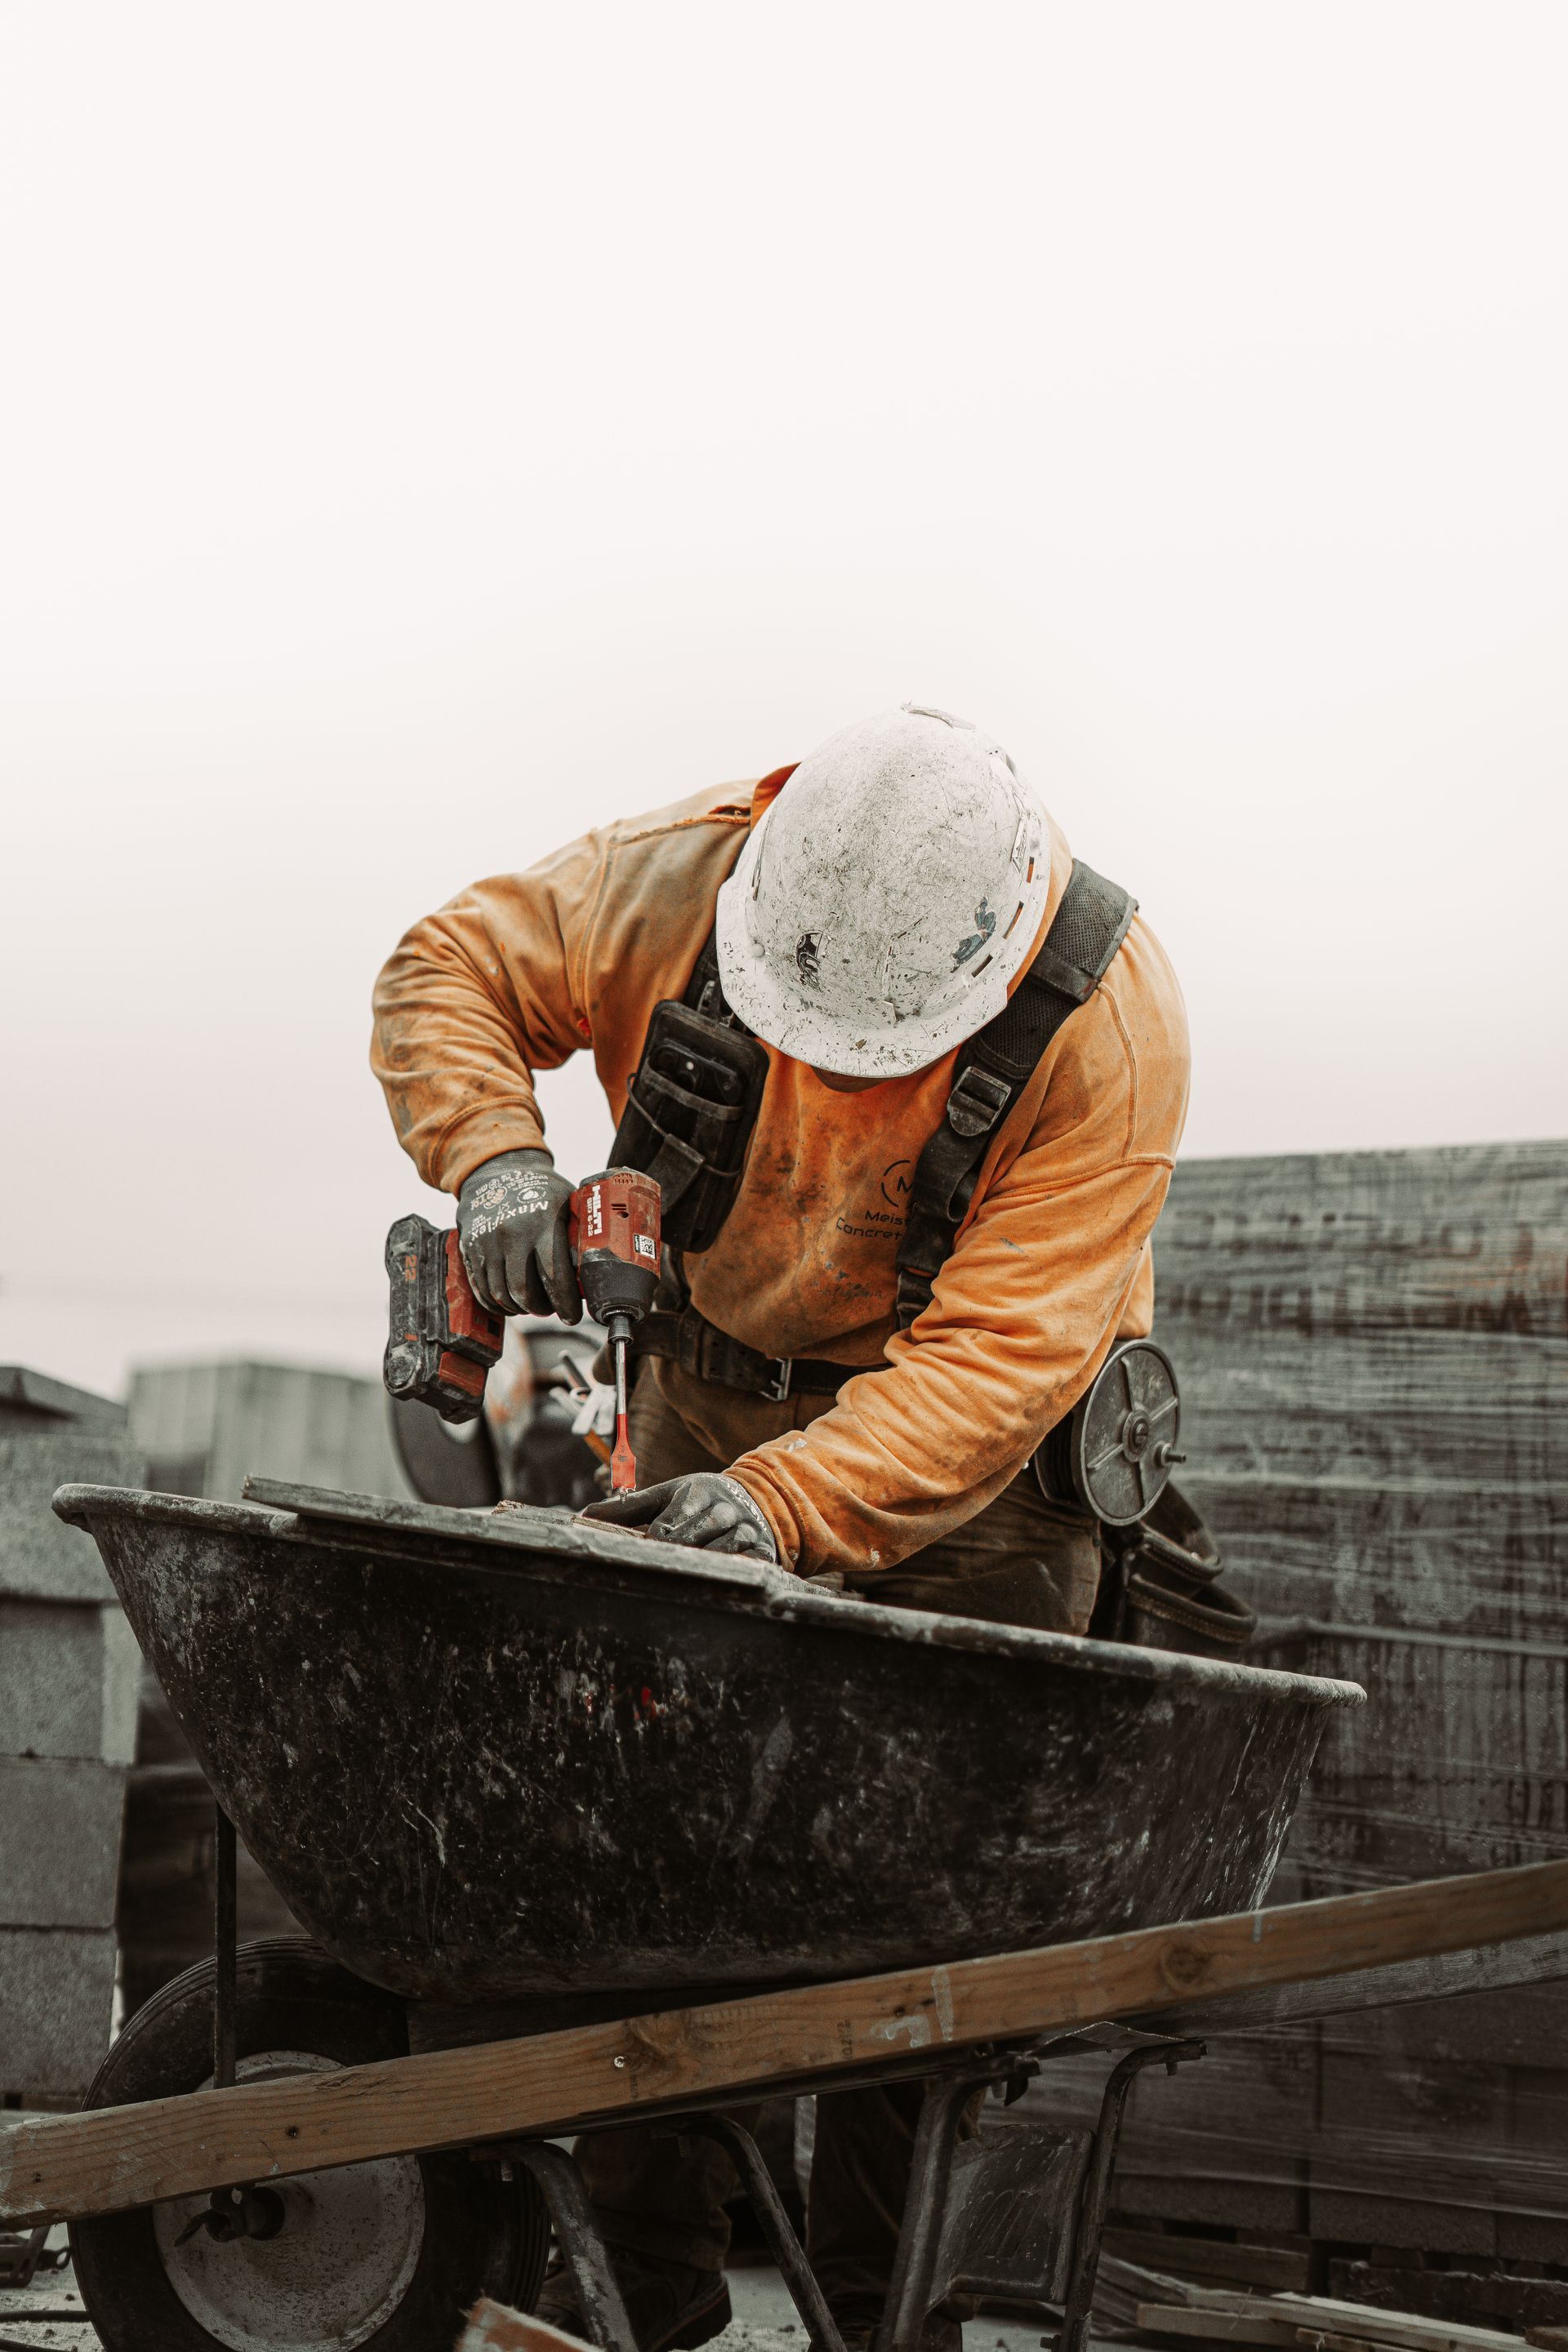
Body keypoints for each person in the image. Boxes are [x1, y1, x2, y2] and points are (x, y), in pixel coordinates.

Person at [372, 703, 1190, 2351]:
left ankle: (894, 2321)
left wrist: (781, 1505)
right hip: (705, 1395)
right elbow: (445, 967)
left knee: (926, 1922)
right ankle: (642, 2319)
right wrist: (500, 1163)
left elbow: (996, 1366)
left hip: (978, 1477)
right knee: (658, 1870)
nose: (831, 1084)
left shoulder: (1106, 1024)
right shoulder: (671, 886)